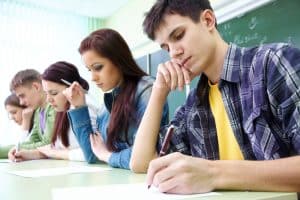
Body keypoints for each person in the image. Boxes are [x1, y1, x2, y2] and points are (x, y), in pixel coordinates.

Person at [130, 0, 300, 194]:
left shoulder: (272, 63)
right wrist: (159, 92)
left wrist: (212, 173)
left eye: (178, 36)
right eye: (166, 48)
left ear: (208, 20)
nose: (174, 53)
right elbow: (141, 163)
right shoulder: (193, 105)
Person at [64, 28, 169, 169]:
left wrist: (107, 156)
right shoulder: (108, 102)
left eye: (98, 67)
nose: (93, 78)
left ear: (119, 60)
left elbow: (146, 157)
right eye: (90, 70)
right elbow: (92, 155)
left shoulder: (147, 89)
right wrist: (79, 106)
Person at [12, 61, 98, 162]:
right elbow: (58, 146)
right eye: (46, 93)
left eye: (53, 93)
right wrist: (33, 154)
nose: (48, 100)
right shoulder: (62, 107)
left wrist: (52, 153)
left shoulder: (85, 104)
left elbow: (91, 153)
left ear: (72, 88)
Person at [0, 69, 56, 159]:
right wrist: (16, 149)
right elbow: (33, 140)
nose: (21, 103)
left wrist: (17, 148)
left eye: (22, 96)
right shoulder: (38, 111)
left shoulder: (54, 107)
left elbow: (48, 142)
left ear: (36, 87)